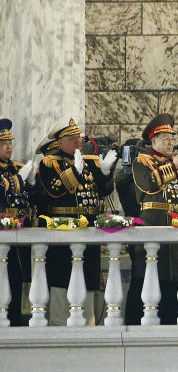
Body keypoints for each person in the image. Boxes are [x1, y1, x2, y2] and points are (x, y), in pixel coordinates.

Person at [36, 117, 117, 325]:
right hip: (64, 231)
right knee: (62, 279)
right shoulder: (49, 163)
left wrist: (105, 173)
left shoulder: (88, 162)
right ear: (60, 142)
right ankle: (59, 322)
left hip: (88, 228)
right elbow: (52, 190)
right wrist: (74, 172)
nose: (78, 142)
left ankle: (88, 322)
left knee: (89, 279)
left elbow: (101, 191)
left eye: (78, 138)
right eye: (72, 139)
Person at [129, 114, 178, 324]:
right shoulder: (142, 162)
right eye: (165, 138)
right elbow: (150, 184)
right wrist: (175, 166)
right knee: (152, 275)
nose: (171, 142)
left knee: (177, 276)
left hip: (177, 227)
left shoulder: (175, 163)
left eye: (172, 138)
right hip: (154, 225)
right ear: (153, 141)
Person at [0, 119, 35, 326]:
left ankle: (15, 319)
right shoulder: (13, 173)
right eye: (3, 143)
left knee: (17, 279)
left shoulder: (14, 168)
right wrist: (19, 181)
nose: (8, 147)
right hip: (2, 237)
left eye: (10, 142)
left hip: (17, 236)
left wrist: (30, 184)